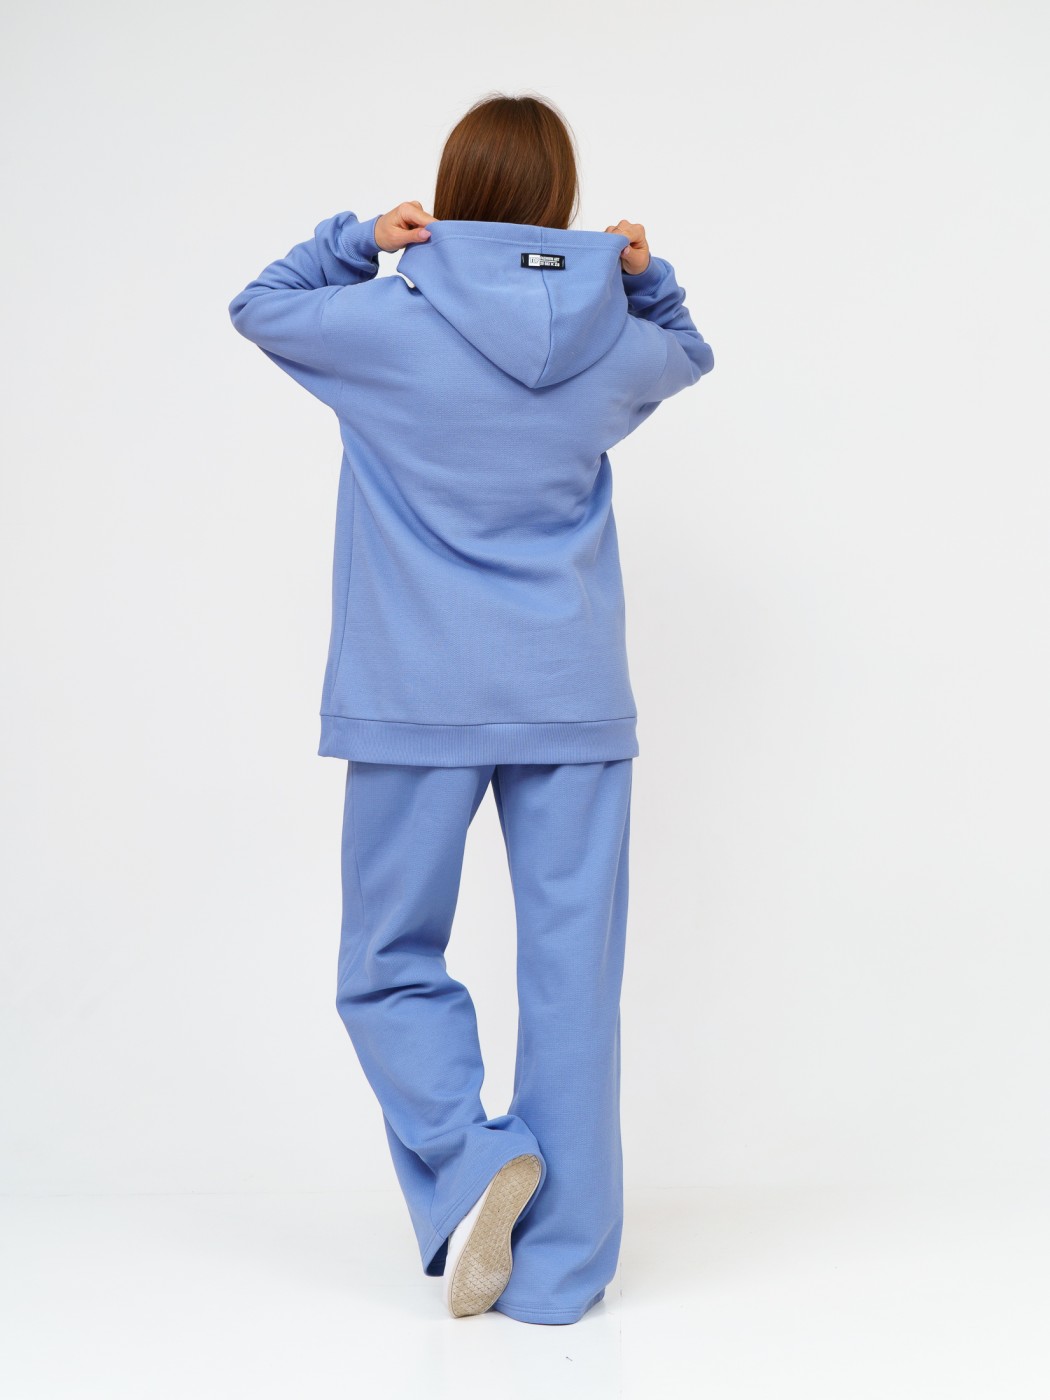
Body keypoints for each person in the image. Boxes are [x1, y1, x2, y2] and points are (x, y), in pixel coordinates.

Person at [228, 91, 714, 1326]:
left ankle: (470, 1152)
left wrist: (360, 240)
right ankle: (557, 1277)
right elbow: (689, 348)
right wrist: (640, 278)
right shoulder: (615, 344)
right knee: (572, 983)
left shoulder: (382, 325)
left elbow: (260, 303)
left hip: (416, 695)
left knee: (387, 961)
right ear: (559, 201)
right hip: (572, 700)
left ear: (450, 193)